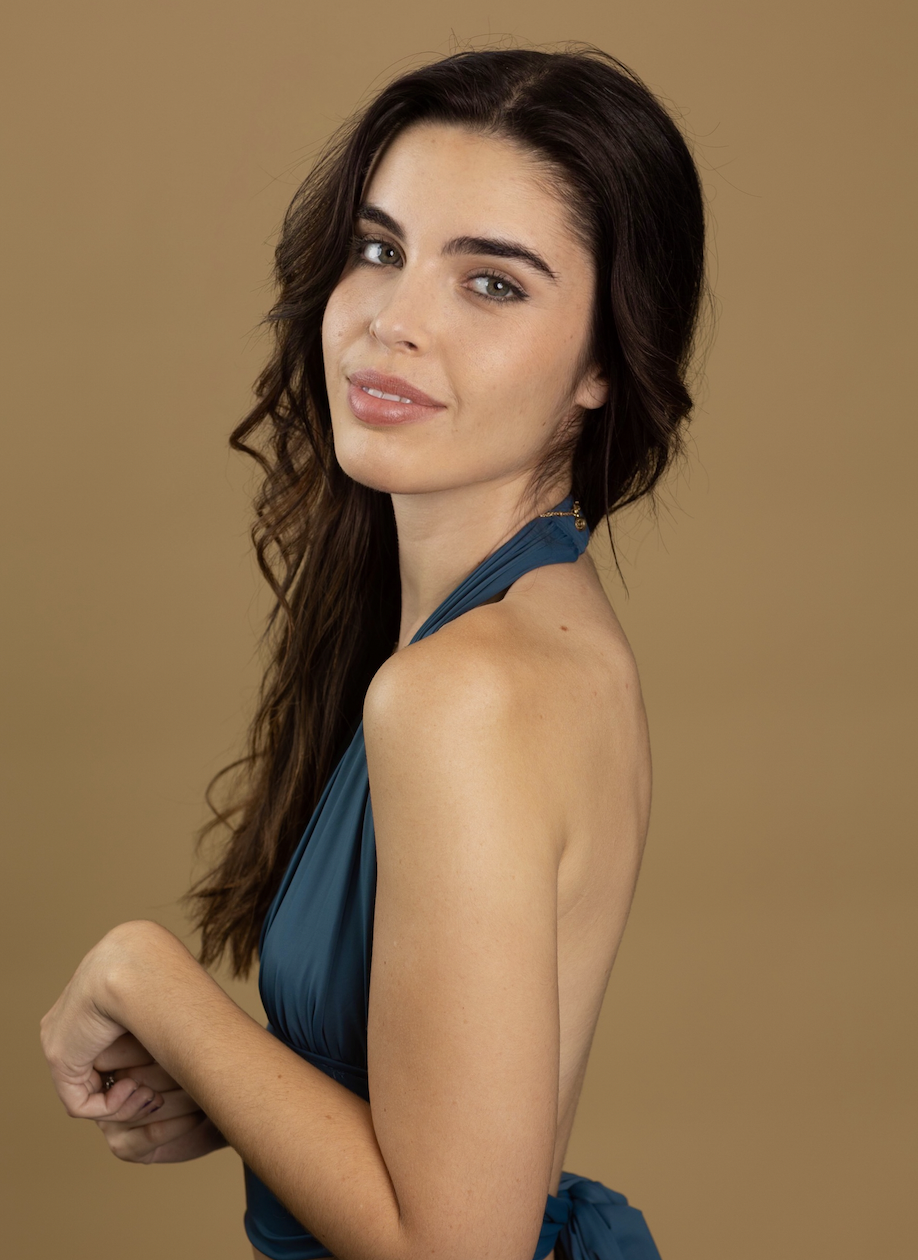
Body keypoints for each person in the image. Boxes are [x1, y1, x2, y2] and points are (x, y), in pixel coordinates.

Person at [40, 43, 707, 1260]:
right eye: (381, 250)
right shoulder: (541, 626)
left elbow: (451, 1246)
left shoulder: (463, 695)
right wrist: (244, 1080)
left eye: (493, 284)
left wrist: (151, 981)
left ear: (608, 358)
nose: (394, 321)